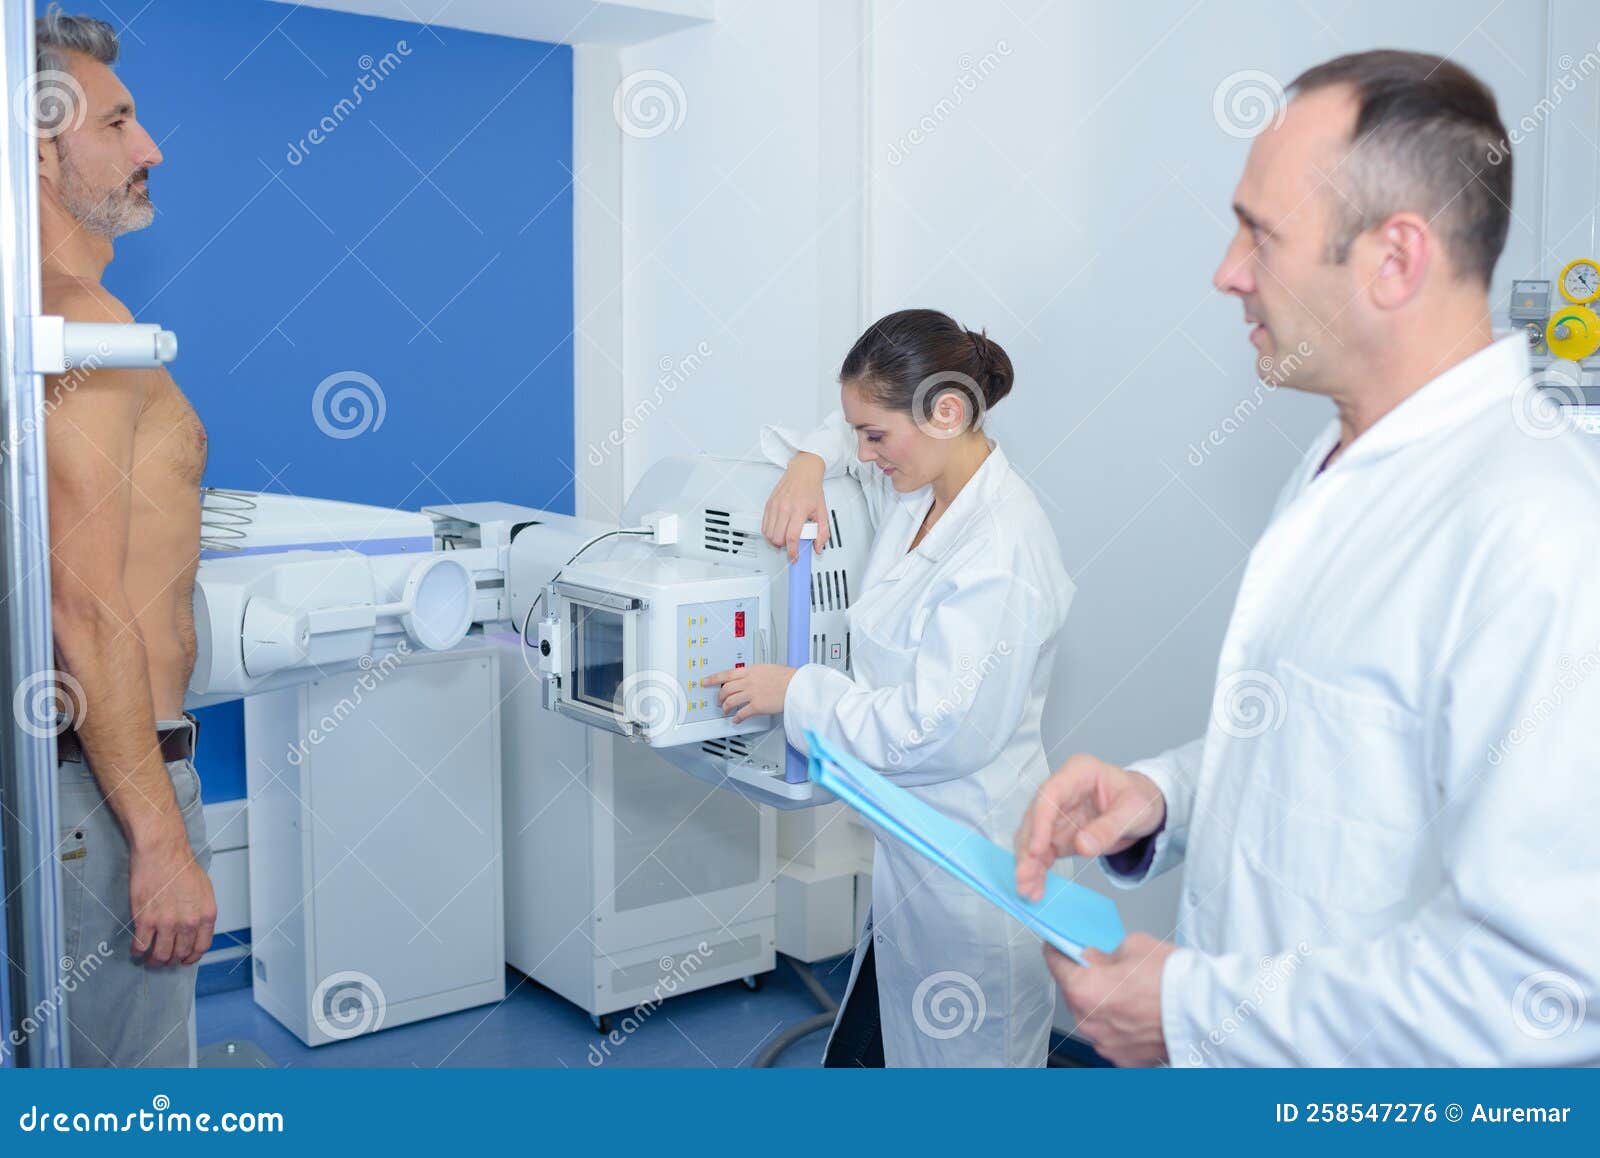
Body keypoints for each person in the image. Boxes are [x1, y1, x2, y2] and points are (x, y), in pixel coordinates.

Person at [1015, 50, 1600, 1066]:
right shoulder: (1345, 463)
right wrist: (1165, 797)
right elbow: (1348, 753)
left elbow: (1539, 987)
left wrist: (1194, 1012)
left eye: (1260, 233)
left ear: (1393, 258)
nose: (1226, 270)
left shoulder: (1536, 532)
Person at [704, 309, 1074, 1066]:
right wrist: (809, 462)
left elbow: (932, 730)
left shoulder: (999, 553)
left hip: (973, 868)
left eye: (876, 436)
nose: (864, 453)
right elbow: (847, 433)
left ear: (945, 412)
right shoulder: (918, 491)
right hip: (917, 853)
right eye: (858, 435)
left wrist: (796, 692)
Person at [36, 7, 216, 1066]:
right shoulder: (86, 329)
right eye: (118, 122)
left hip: (77, 773)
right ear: (37, 146)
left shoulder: (49, 323)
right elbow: (85, 603)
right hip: (111, 786)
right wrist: (158, 841)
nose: (150, 150)